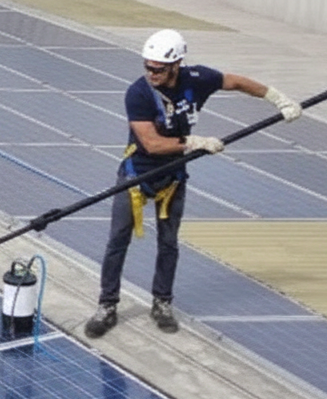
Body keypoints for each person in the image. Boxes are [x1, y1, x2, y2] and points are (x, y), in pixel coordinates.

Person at [84, 28, 302, 338]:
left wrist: (277, 98)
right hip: (137, 175)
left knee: (169, 242)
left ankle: (162, 303)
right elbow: (151, 144)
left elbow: (236, 82)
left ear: (176, 65)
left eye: (159, 69)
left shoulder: (198, 79)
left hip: (173, 176)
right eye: (148, 67)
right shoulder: (139, 93)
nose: (151, 73)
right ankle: (107, 305)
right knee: (118, 240)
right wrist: (194, 142)